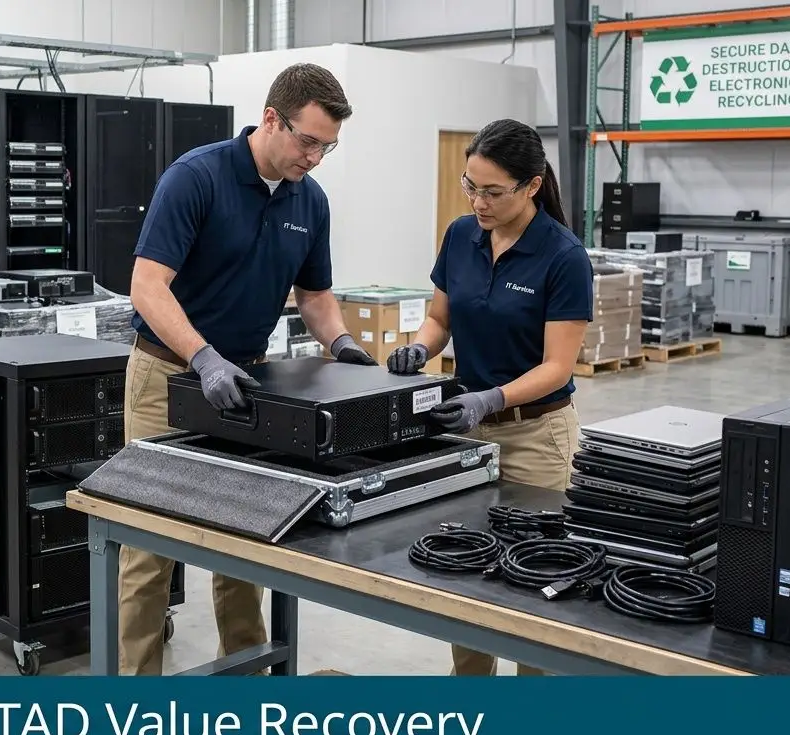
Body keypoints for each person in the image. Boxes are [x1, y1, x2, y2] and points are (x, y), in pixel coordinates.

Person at [117, 62, 377, 676]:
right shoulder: (196, 178)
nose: (314, 157)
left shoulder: (310, 201)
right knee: (148, 544)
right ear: (270, 119)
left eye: (327, 146)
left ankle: (245, 680)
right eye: (307, 140)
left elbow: (314, 297)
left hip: (251, 385)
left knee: (247, 538)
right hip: (166, 379)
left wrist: (344, 347)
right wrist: (201, 357)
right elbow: (147, 286)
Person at [386, 118, 594, 677]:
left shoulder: (563, 257)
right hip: (468, 433)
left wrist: (490, 399)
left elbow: (558, 366)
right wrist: (419, 350)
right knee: (468, 571)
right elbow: (439, 319)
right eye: (470, 186)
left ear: (531, 186)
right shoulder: (460, 235)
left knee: (533, 580)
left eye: (493, 191)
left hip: (536, 436)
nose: (479, 201)